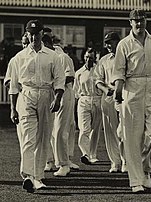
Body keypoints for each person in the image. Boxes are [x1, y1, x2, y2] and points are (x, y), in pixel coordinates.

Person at [8, 19, 65, 192]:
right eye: (31, 34)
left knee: (43, 137)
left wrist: (57, 98)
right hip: (27, 95)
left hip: (46, 95)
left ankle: (38, 176)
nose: (34, 37)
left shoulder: (52, 56)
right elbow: (13, 85)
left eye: (37, 33)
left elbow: (60, 80)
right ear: (27, 34)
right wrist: (12, 108)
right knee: (27, 138)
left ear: (42, 34)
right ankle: (28, 176)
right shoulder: (20, 57)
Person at [111, 9, 151, 193]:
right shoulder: (124, 45)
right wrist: (118, 91)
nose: (139, 24)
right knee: (132, 138)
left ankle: (145, 169)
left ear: (146, 20)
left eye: (142, 20)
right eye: (136, 21)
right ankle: (136, 181)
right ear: (130, 22)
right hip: (131, 89)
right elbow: (118, 71)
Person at [41, 34, 79, 176]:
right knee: (51, 130)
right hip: (52, 94)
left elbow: (70, 76)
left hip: (64, 94)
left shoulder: (62, 56)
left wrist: (54, 85)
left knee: (60, 130)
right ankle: (50, 161)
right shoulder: (47, 57)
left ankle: (64, 164)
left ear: (45, 43)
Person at [95, 32, 126, 173]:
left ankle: (125, 160)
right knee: (110, 131)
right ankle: (115, 162)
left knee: (123, 130)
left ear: (117, 42)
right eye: (106, 43)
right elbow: (98, 80)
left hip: (123, 95)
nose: (107, 45)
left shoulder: (126, 56)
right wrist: (105, 89)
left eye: (110, 42)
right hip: (108, 97)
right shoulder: (104, 60)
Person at [73, 48, 103, 165]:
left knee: (95, 129)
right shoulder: (79, 73)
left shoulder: (99, 70)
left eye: (91, 57)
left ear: (95, 58)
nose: (88, 60)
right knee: (84, 129)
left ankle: (93, 155)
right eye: (86, 57)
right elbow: (76, 91)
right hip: (84, 100)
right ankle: (85, 153)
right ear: (83, 58)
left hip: (97, 99)